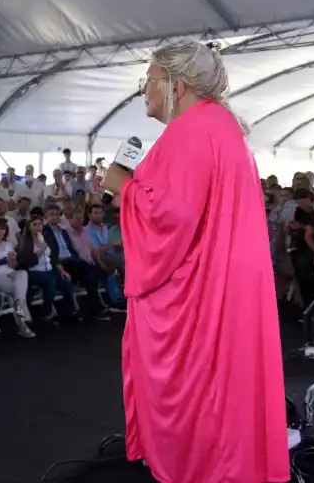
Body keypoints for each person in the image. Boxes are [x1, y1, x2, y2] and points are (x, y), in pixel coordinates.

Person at [102, 40, 288, 483]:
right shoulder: (219, 126)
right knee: (223, 391)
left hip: (195, 293)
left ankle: (192, 466)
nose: (143, 91)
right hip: (222, 282)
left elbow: (171, 217)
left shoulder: (190, 131)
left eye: (148, 81)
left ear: (176, 85)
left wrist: (121, 187)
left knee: (196, 391)